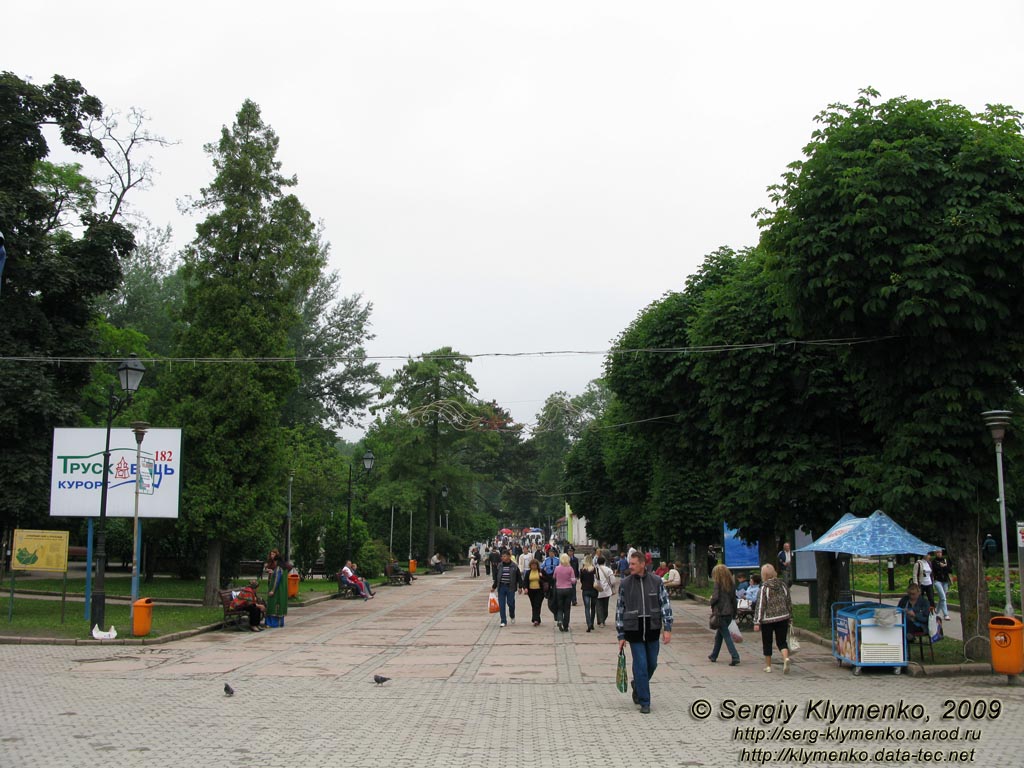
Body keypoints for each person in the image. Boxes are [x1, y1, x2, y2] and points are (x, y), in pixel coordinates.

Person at [616, 551, 673, 714]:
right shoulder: (625, 583)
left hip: (652, 628)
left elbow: (665, 604)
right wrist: (621, 634)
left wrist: (667, 627)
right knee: (640, 665)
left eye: (633, 564)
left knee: (652, 664)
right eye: (630, 563)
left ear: (642, 564)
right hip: (633, 630)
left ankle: (638, 685)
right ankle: (645, 701)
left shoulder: (656, 581)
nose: (630, 567)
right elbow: (620, 609)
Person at [753, 563, 792, 674]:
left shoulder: (764, 588)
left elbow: (761, 605)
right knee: (782, 641)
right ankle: (786, 658)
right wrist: (790, 617)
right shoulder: (783, 585)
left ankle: (768, 666)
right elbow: (788, 601)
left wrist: (757, 621)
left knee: (767, 642)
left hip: (768, 620)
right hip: (783, 617)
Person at [708, 564, 741, 665]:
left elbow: (715, 597)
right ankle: (714, 655)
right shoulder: (731, 583)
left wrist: (711, 601)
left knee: (726, 635)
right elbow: (733, 600)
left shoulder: (718, 583)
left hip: (720, 612)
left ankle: (735, 656)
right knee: (719, 635)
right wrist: (734, 613)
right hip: (729, 612)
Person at [491, 550, 522, 627]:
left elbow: (519, 577)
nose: (503, 558)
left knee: (510, 603)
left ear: (509, 556)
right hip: (501, 587)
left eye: (504, 556)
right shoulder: (500, 566)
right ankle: (503, 620)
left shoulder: (514, 566)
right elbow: (497, 577)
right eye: (502, 556)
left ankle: (512, 614)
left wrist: (520, 587)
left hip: (510, 587)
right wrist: (494, 587)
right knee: (501, 604)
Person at [553, 553, 577, 631]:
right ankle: (566, 626)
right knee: (567, 608)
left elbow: (554, 577)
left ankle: (560, 620)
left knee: (560, 607)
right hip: (568, 589)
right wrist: (571, 580)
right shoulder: (570, 569)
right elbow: (573, 581)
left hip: (559, 589)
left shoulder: (557, 568)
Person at [524, 558, 550, 626]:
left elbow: (548, 579)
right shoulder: (528, 572)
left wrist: (542, 576)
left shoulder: (541, 571)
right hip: (531, 591)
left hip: (539, 590)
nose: (534, 566)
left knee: (537, 604)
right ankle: (537, 619)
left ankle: (535, 619)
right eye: (532, 565)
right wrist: (525, 588)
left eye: (535, 565)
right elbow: (525, 581)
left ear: (537, 565)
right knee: (533, 605)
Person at [265, 554, 288, 626]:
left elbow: (276, 580)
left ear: (277, 561)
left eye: (274, 561)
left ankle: (273, 623)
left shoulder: (278, 568)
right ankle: (280, 623)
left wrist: (272, 590)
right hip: (283, 591)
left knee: (273, 605)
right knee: (281, 605)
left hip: (277, 591)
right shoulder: (285, 568)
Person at [579, 554, 600, 632]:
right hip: (594, 590)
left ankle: (589, 624)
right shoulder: (595, 569)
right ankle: (592, 623)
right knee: (593, 607)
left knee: (587, 608)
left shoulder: (582, 570)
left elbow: (581, 580)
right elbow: (598, 579)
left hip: (585, 590)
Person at [931, 549, 952, 621]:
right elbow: (935, 570)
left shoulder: (945, 560)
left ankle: (936, 611)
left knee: (942, 597)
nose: (939, 554)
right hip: (938, 581)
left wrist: (945, 566)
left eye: (940, 552)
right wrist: (940, 566)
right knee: (943, 597)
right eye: (937, 552)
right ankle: (946, 614)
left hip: (945, 581)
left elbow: (949, 570)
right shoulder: (934, 562)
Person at [595, 555, 615, 627]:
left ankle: (600, 621)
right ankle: (603, 619)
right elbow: (612, 581)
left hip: (598, 590)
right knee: (605, 606)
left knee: (599, 606)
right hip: (607, 591)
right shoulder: (608, 570)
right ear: (604, 562)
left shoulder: (595, 569)